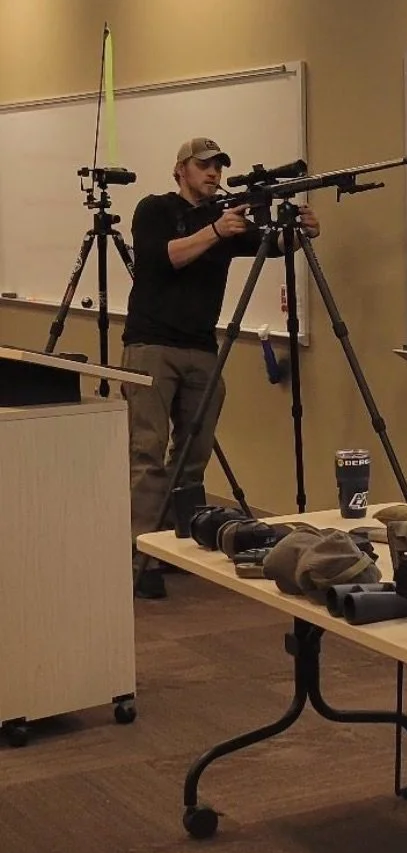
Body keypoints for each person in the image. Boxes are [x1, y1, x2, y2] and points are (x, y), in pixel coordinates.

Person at [121, 136, 319, 598]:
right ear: (180, 170)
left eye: (218, 167)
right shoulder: (155, 209)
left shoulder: (223, 219)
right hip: (152, 345)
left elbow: (271, 245)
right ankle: (138, 555)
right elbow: (164, 257)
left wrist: (302, 231)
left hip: (202, 348)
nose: (213, 173)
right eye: (204, 166)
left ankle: (176, 542)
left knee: (193, 454)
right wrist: (216, 231)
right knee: (146, 455)